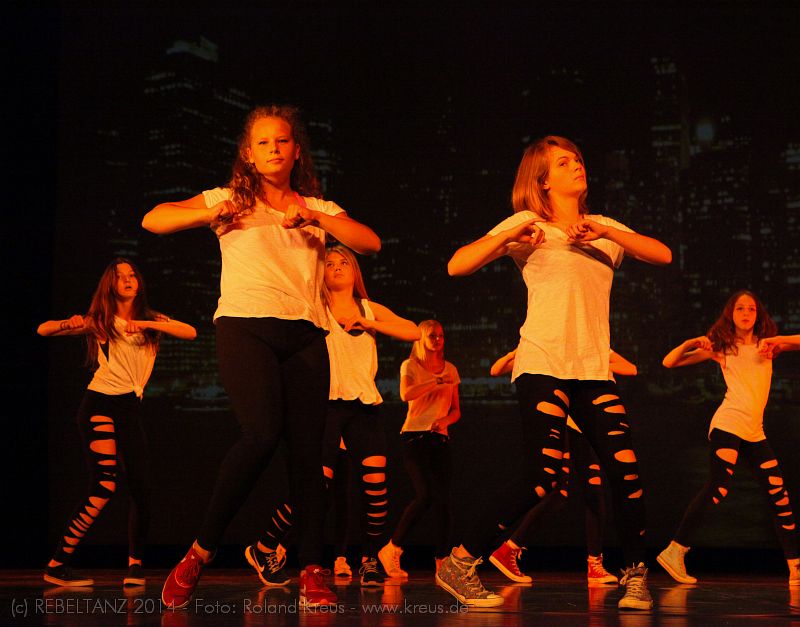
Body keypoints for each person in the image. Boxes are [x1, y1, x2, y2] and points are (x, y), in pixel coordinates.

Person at [142, 105, 381, 609]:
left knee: (309, 457)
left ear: (296, 152)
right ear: (249, 155)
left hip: (306, 335)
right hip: (245, 327)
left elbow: (370, 242)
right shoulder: (228, 199)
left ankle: (312, 568)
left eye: (283, 141)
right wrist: (208, 215)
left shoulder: (318, 207)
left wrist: (317, 217)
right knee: (261, 433)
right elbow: (154, 219)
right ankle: (200, 551)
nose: (274, 149)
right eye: (264, 143)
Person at [444, 135, 671, 609]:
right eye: (564, 163)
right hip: (543, 362)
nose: (577, 166)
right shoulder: (529, 224)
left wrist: (607, 233)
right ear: (543, 180)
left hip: (592, 367)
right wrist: (508, 239)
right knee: (542, 476)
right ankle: (460, 562)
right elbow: (457, 266)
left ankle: (635, 577)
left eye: (578, 160)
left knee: (626, 473)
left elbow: (662, 254)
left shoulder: (603, 227)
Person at [245, 244, 419, 587]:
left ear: (355, 272)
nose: (337, 267)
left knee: (376, 486)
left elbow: (414, 331)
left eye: (344, 263)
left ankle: (370, 559)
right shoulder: (315, 308)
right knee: (314, 486)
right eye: (329, 263)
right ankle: (264, 546)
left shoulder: (368, 308)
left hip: (363, 406)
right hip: (325, 406)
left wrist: (368, 322)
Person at [38, 258, 196, 587]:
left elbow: (190, 332)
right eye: (120, 276)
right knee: (104, 486)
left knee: (142, 488)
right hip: (100, 403)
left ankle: (135, 567)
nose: (127, 279)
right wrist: (68, 323)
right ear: (110, 285)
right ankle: (57, 564)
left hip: (129, 408)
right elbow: (44, 329)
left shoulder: (152, 320)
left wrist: (148, 324)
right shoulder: (102, 322)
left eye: (131, 275)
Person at [657, 291, 799, 587]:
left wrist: (779, 340)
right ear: (730, 315)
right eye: (740, 308)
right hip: (729, 423)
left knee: (780, 496)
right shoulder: (723, 348)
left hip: (754, 431)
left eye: (751, 309)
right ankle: (674, 550)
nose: (746, 313)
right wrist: (690, 343)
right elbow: (669, 363)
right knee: (719, 486)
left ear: (758, 315)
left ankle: (795, 567)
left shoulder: (767, 346)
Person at [488, 348, 637, 586]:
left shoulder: (595, 350)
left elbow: (631, 369)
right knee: (559, 490)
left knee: (585, 493)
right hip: (570, 425)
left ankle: (592, 563)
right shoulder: (552, 348)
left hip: (587, 425)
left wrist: (598, 359)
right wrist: (517, 351)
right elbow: (496, 370)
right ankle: (509, 548)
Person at [378, 320, 461, 579]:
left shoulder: (451, 369)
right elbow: (405, 393)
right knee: (424, 495)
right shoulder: (410, 366)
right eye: (432, 335)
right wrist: (436, 381)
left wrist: (445, 421)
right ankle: (392, 548)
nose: (438, 340)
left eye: (441, 335)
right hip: (414, 437)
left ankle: (442, 560)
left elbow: (456, 410)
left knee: (443, 501)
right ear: (421, 339)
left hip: (439, 438)